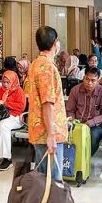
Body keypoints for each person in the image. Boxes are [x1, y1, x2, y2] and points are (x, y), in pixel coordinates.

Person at [25, 26, 68, 181]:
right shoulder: (47, 68)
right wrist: (51, 134)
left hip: (38, 129)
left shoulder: (35, 64)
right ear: (54, 43)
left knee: (42, 179)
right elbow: (47, 103)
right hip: (48, 131)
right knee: (53, 180)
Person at [66, 67, 102, 155]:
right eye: (87, 79)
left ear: (98, 81)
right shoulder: (75, 90)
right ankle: (71, 159)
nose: (89, 83)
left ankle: (85, 160)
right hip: (77, 123)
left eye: (93, 80)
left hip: (95, 126)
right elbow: (70, 110)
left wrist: (90, 122)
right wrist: (73, 120)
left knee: (93, 135)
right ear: (83, 78)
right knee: (66, 132)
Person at [0, 71, 27, 171]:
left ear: (13, 81)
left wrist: (5, 103)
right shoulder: (0, 91)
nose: (5, 84)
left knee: (3, 126)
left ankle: (7, 159)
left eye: (8, 82)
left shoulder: (19, 91)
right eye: (3, 82)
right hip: (1, 116)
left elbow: (21, 107)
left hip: (16, 117)